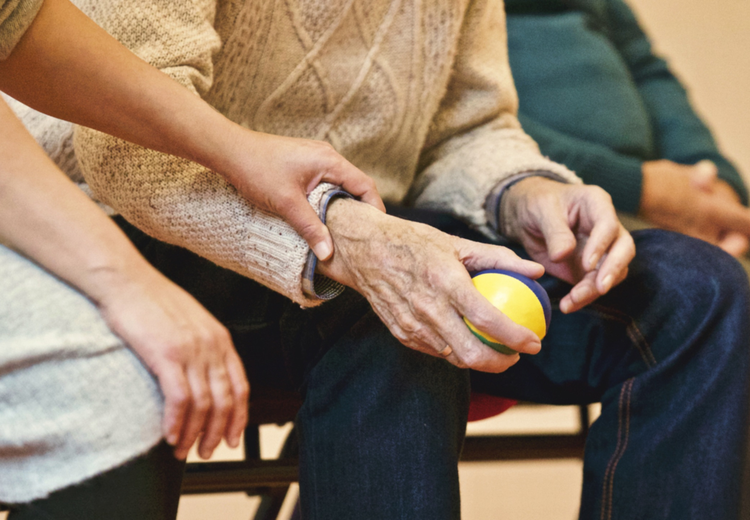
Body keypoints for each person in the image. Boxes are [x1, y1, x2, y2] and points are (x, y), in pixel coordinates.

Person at [12, 0, 750, 519]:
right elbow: (125, 153)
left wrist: (525, 193)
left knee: (697, 293)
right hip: (163, 229)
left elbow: (468, 126)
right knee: (400, 311)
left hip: (378, 233)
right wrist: (351, 241)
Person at [0, 0, 382, 513]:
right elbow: (115, 155)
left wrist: (241, 149)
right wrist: (130, 284)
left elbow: (16, 25)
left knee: (386, 312)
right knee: (116, 398)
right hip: (93, 212)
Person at [503, 0, 750, 257]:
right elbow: (477, 125)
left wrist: (715, 179)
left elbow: (647, 70)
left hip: (665, 193)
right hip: (552, 201)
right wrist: (639, 188)